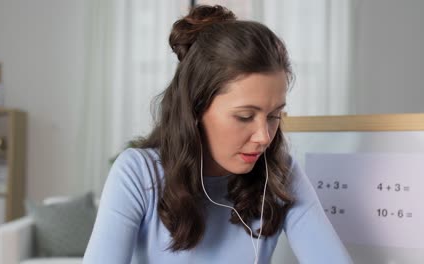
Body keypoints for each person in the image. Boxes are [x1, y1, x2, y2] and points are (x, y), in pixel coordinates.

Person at [84, 5, 352, 264]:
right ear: (196, 107)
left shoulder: (281, 174)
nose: (264, 136)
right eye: (245, 116)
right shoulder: (138, 174)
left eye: (273, 116)